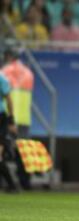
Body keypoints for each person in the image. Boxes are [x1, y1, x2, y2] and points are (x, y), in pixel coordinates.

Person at [1, 45, 33, 190]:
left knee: (7, 148)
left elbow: (6, 95)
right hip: (24, 117)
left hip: (9, 115)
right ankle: (25, 182)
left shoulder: (5, 72)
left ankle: (8, 183)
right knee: (23, 152)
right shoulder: (28, 72)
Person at [0, 70, 17, 193]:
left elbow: (9, 98)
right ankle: (11, 185)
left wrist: (11, 120)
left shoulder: (2, 79)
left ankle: (12, 185)